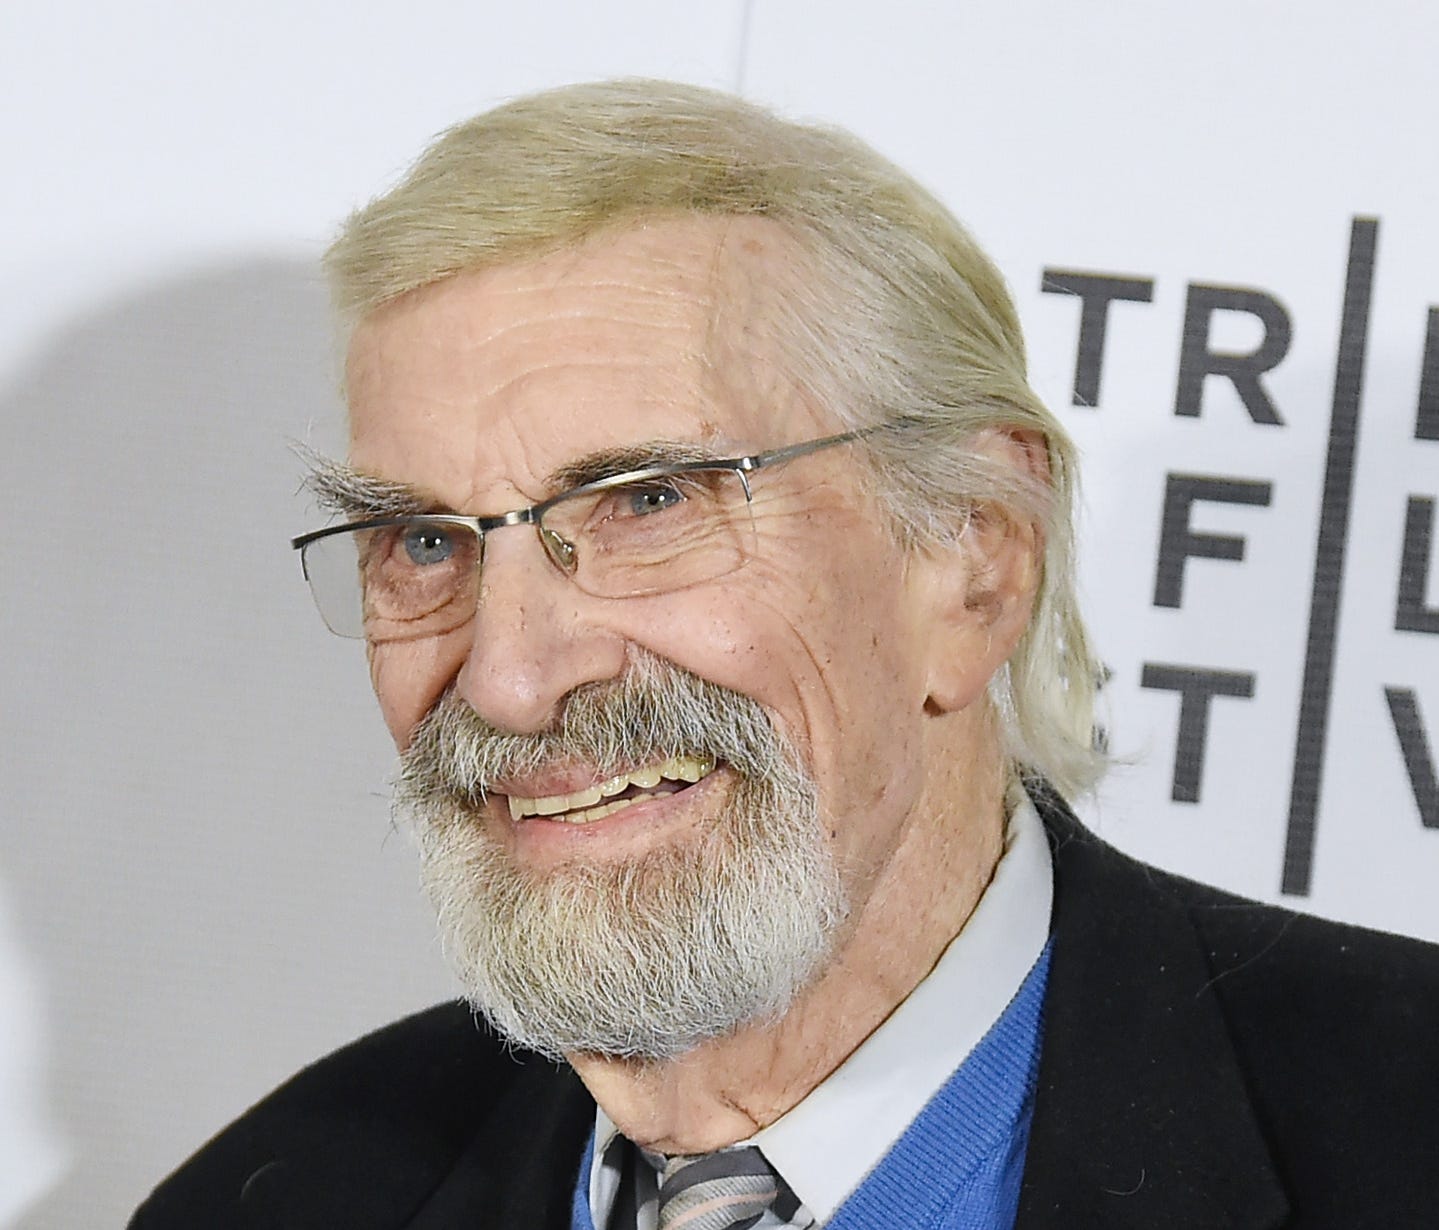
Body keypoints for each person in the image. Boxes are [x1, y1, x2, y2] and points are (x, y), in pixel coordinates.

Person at [131, 80, 1439, 1229]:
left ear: (975, 558)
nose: (509, 680)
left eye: (650, 503)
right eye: (424, 541)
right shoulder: (278, 1195)